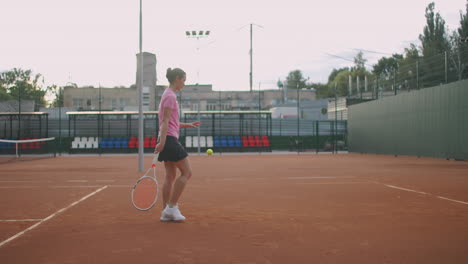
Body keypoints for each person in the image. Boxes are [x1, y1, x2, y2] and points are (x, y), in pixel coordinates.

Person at [155, 68, 200, 222]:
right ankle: (171, 207)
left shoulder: (168, 95)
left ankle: (165, 212)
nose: (184, 83)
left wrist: (188, 125)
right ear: (177, 79)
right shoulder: (170, 96)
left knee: (170, 176)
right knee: (187, 173)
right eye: (184, 80)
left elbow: (172, 121)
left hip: (167, 137)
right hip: (169, 139)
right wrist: (162, 142)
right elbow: (165, 121)